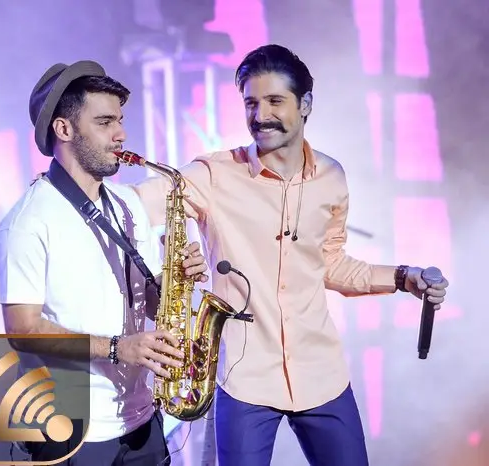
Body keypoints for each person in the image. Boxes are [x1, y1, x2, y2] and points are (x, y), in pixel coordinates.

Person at [132, 44, 450, 466]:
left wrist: (403, 277)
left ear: (306, 105)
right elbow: (129, 208)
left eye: (275, 101)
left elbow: (330, 263)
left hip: (322, 375)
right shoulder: (213, 174)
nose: (260, 115)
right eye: (251, 103)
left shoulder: (331, 177)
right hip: (243, 378)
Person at [0, 60, 210, 465]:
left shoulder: (128, 204)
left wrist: (175, 280)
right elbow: (23, 330)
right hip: (70, 426)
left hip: (141, 417)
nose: (121, 134)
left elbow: (149, 300)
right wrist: (117, 348)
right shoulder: (28, 221)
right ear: (64, 129)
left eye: (120, 121)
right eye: (105, 122)